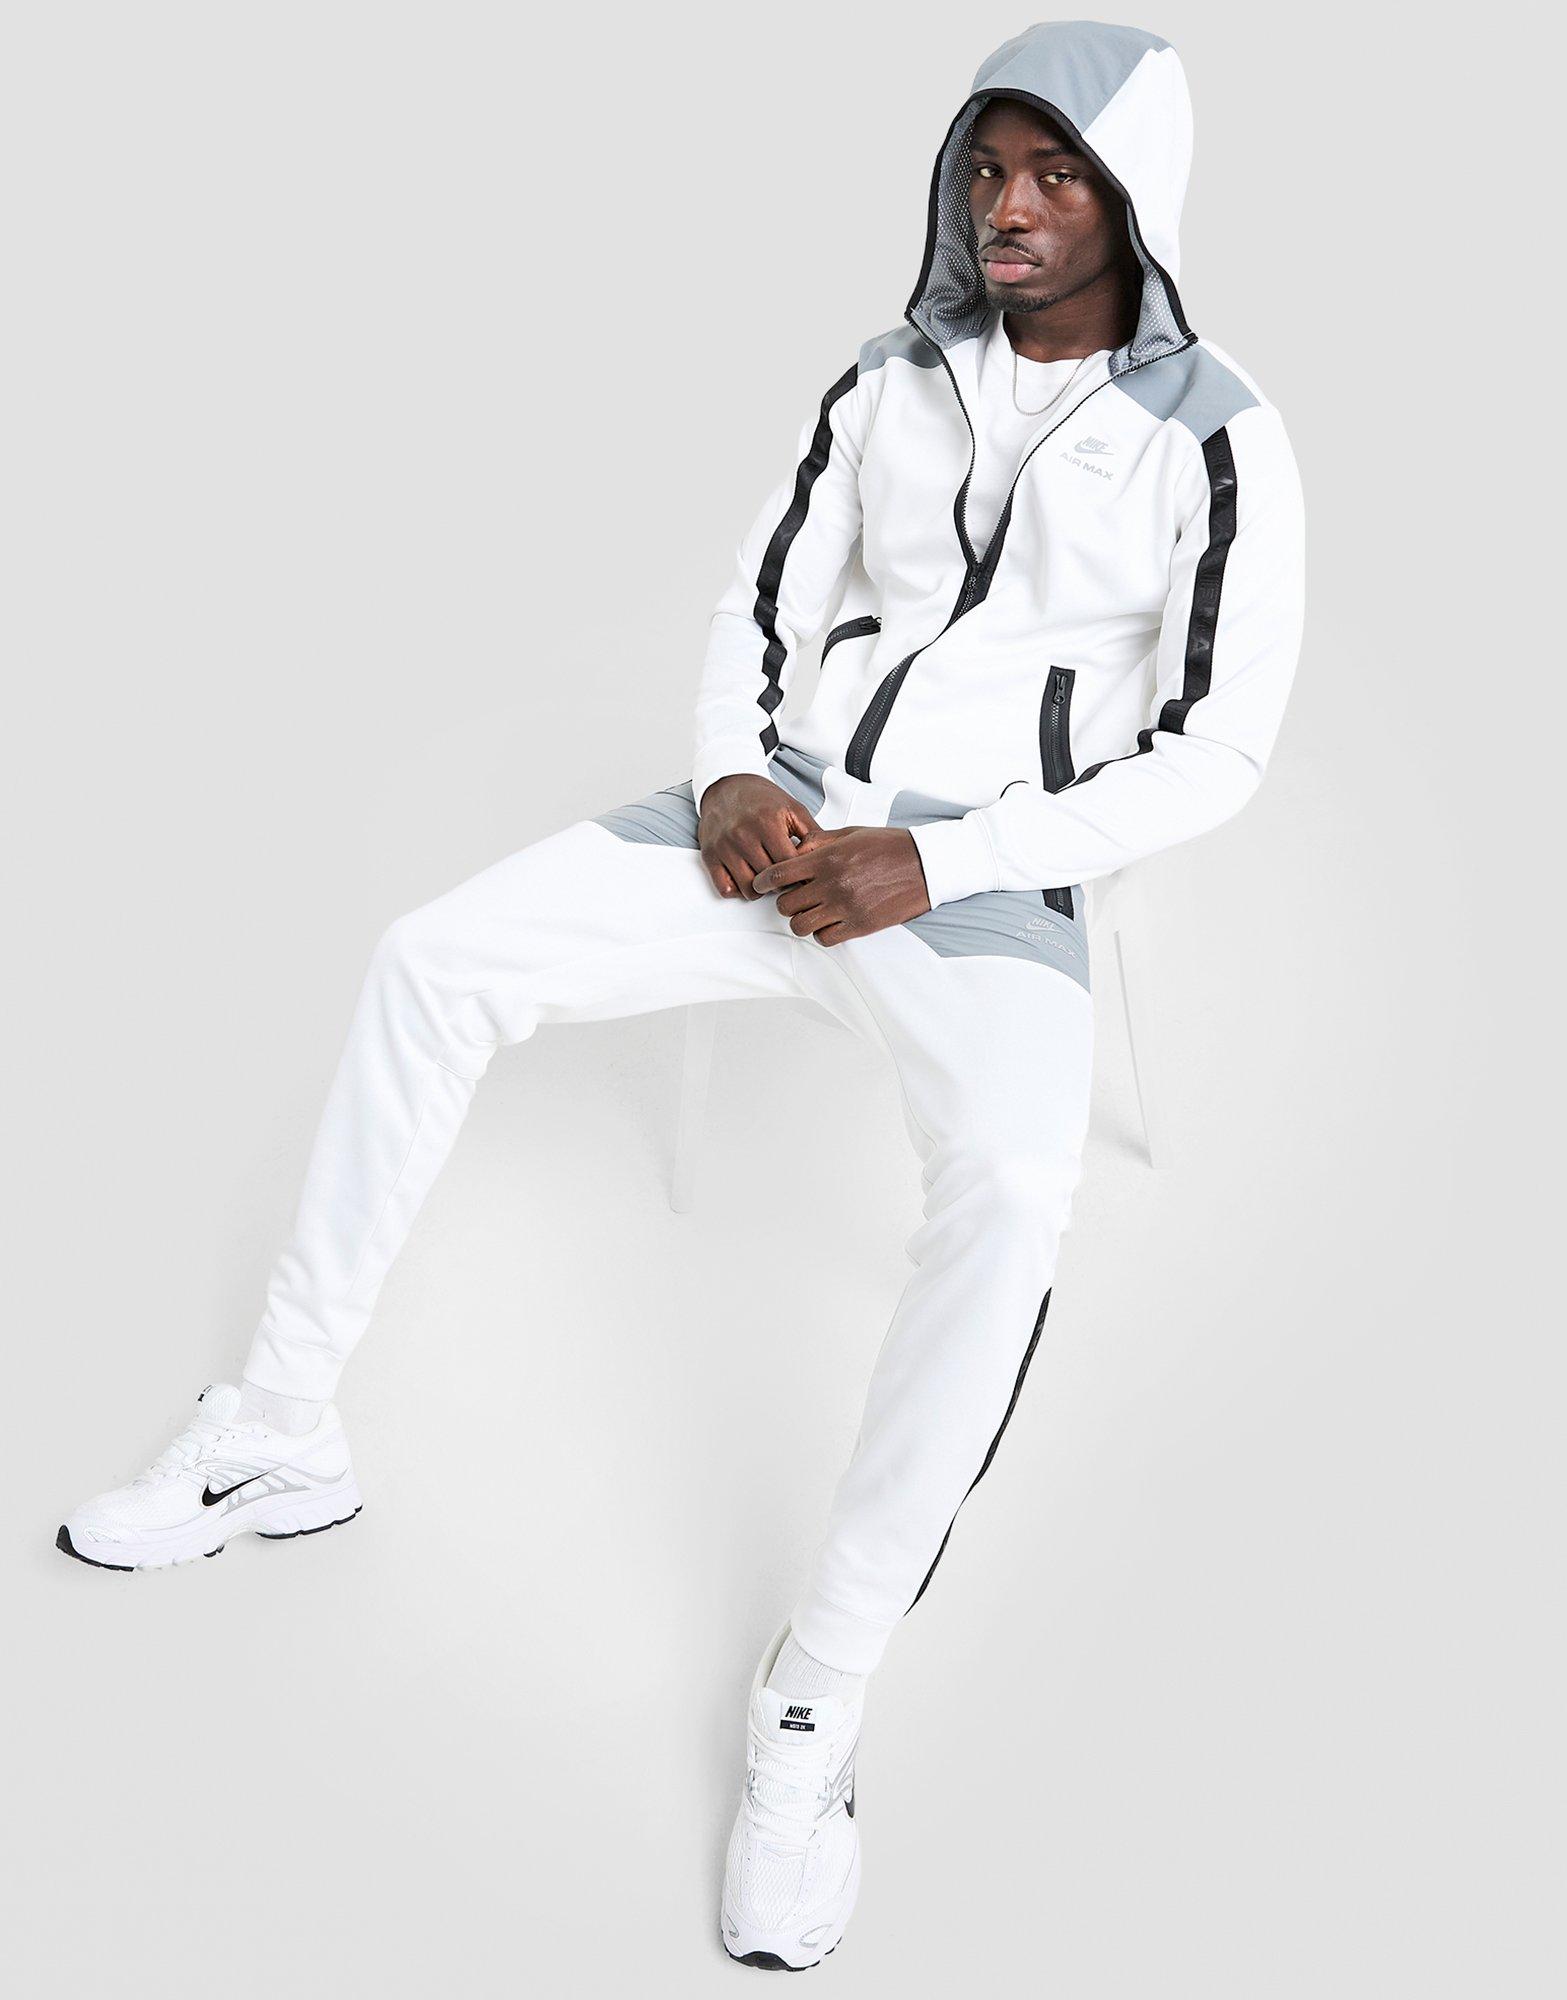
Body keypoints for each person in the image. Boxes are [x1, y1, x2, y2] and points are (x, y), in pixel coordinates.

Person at [57, 19, 1305, 1972]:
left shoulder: (1220, 435)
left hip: (983, 891)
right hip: (777, 830)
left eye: (1055, 174)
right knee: (430, 959)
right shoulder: (886, 378)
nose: (1008, 207)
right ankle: (280, 1426)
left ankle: (820, 1688)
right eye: (987, 169)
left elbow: (1218, 750)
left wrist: (944, 861)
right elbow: (763, 598)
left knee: (1009, 1194)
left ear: (1133, 201)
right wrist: (731, 770)